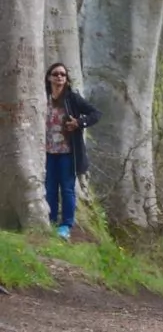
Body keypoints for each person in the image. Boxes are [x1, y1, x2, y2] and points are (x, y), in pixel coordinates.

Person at [44, 62, 101, 241]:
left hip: (68, 152)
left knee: (67, 189)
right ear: (49, 77)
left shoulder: (72, 99)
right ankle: (51, 221)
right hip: (47, 152)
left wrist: (79, 122)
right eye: (56, 74)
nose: (59, 77)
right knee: (50, 188)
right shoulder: (41, 97)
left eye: (63, 74)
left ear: (67, 79)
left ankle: (66, 226)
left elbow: (95, 113)